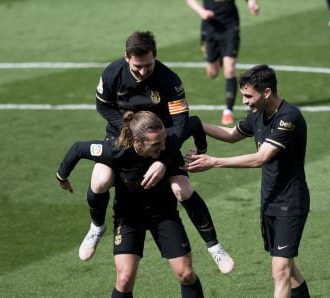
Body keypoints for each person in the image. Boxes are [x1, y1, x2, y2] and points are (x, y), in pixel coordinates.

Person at [81, 30, 234, 274]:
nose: (143, 71)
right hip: (121, 137)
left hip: (161, 142)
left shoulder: (169, 80)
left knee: (182, 189)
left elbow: (182, 122)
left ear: (155, 56)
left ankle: (214, 246)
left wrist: (163, 159)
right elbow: (103, 106)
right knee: (100, 181)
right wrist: (129, 132)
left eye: (148, 65)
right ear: (127, 57)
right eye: (138, 66)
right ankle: (96, 226)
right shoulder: (112, 72)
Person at [184, 65, 311, 297]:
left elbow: (261, 158)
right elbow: (232, 135)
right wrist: (195, 124)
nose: (244, 101)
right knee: (289, 271)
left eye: (248, 96)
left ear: (267, 92)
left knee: (280, 271)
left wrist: (213, 162)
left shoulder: (288, 118)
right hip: (269, 200)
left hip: (290, 203)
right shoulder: (258, 115)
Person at [57, 111, 204, 297]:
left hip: (163, 214)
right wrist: (62, 175)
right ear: (137, 141)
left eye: (163, 140)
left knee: (186, 274)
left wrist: (202, 149)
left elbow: (194, 123)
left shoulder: (167, 144)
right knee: (124, 279)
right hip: (129, 216)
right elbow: (79, 148)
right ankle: (96, 226)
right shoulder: (115, 149)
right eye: (155, 144)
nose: (164, 146)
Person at [185, 0, 259, 125]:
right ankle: (219, 58)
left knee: (229, 69)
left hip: (229, 27)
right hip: (209, 27)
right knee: (212, 73)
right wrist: (201, 11)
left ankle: (228, 111)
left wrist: (252, 3)